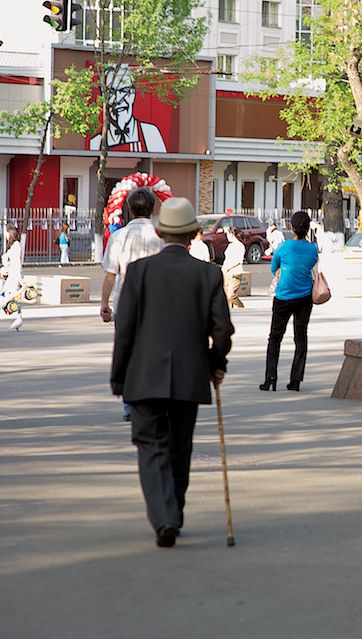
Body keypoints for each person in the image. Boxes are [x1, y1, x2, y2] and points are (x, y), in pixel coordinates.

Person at [111, 196, 233, 548]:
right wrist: (214, 363)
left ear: (160, 231)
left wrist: (119, 377)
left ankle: (164, 517)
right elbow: (222, 330)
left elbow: (125, 330)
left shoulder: (139, 272)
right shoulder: (209, 274)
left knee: (151, 447)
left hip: (143, 375)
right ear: (195, 233)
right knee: (180, 448)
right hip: (189, 375)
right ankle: (173, 514)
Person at [100, 188, 165, 421]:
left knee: (127, 353)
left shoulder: (119, 237)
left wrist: (104, 303)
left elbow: (110, 274)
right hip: (155, 305)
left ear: (129, 209)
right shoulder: (160, 236)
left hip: (125, 304)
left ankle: (129, 405)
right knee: (153, 354)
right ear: (153, 208)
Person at [260, 210, 318, 392]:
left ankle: (270, 378)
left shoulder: (284, 248)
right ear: (308, 228)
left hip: (283, 297)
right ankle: (295, 380)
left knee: (275, 337)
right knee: (300, 338)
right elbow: (311, 264)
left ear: (291, 227)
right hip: (305, 298)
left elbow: (273, 266)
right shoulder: (312, 249)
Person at [89, 64, 167, 153]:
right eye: (111, 92)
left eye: (124, 91)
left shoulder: (150, 134)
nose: (118, 99)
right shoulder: (95, 142)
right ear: (103, 96)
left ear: (133, 94)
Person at [0, 225, 25, 331]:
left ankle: (18, 316)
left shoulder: (16, 246)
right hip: (12, 275)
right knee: (11, 296)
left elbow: (16, 263)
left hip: (15, 275)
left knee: (12, 296)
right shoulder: (13, 246)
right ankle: (17, 316)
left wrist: (18, 276)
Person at [222, 227, 246, 309]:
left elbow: (239, 261)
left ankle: (241, 307)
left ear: (232, 235)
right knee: (226, 297)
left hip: (235, 273)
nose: (227, 237)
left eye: (228, 235)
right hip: (226, 273)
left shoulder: (240, 246)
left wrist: (228, 267)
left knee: (231, 295)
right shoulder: (230, 245)